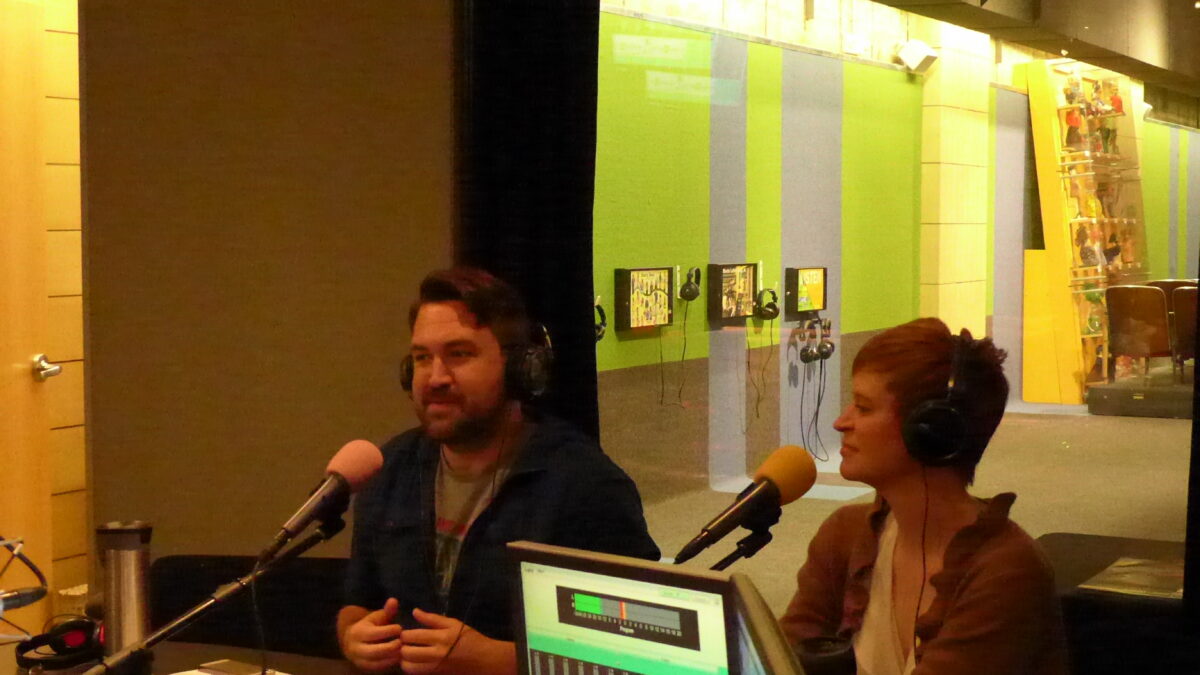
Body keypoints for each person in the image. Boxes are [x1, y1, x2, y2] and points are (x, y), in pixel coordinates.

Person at [338, 268, 660, 674]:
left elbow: (641, 653)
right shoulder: (392, 469)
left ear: (520, 370)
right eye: (422, 358)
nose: (435, 377)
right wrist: (353, 634)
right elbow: (357, 600)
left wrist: (497, 660)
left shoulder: (585, 486)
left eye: (459, 354)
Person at [780, 318, 1068, 675]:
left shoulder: (1007, 571)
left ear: (931, 430)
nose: (841, 422)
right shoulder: (844, 534)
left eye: (864, 407)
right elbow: (778, 657)